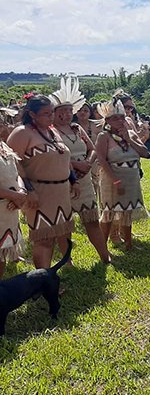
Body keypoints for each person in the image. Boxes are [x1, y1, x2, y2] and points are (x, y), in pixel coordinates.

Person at [6, 94, 76, 268]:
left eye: (52, 112)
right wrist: (28, 190)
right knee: (44, 239)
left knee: (62, 230)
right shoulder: (22, 132)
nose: (51, 116)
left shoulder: (52, 131)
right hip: (39, 192)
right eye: (46, 113)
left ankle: (61, 267)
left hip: (61, 190)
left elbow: (64, 159)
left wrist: (73, 181)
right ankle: (42, 278)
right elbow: (12, 163)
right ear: (32, 114)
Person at [49, 78, 111, 263]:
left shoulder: (76, 129)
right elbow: (54, 156)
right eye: (62, 111)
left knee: (91, 220)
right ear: (54, 113)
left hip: (84, 180)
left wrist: (87, 163)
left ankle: (105, 257)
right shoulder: (49, 132)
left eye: (69, 110)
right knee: (65, 224)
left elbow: (92, 149)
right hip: (63, 180)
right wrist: (77, 165)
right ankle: (67, 262)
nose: (67, 114)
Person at [95, 98, 150, 251]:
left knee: (127, 211)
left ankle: (128, 244)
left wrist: (128, 139)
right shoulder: (104, 136)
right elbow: (102, 160)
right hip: (112, 177)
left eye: (121, 117)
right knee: (109, 212)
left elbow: (145, 153)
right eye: (115, 118)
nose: (120, 121)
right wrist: (115, 181)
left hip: (131, 177)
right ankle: (103, 247)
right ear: (107, 120)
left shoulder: (131, 134)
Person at [0, 141, 28, 276]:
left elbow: (17, 175)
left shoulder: (4, 146)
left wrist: (21, 192)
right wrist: (16, 196)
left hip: (8, 210)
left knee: (1, 254)